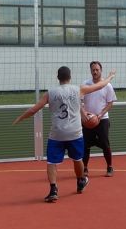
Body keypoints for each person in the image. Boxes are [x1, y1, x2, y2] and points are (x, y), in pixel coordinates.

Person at [13, 66, 116, 202]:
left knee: (51, 162)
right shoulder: (78, 89)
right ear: (70, 77)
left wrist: (20, 118)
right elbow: (100, 85)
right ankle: (80, 181)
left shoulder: (51, 93)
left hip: (57, 133)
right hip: (74, 132)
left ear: (58, 78)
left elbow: (34, 110)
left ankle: (53, 189)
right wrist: (110, 77)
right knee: (77, 159)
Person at [81, 60, 117, 177]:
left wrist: (100, 114)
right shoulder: (85, 84)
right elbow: (80, 101)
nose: (95, 72)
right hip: (87, 119)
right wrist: (84, 113)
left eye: (97, 70)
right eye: (93, 70)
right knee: (85, 145)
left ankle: (110, 167)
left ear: (101, 70)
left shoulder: (107, 85)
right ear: (90, 71)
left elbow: (110, 103)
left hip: (102, 119)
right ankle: (85, 168)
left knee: (105, 144)